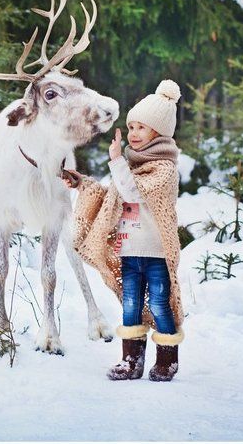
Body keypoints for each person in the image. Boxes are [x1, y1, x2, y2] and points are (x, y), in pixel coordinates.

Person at [61, 80, 185, 381]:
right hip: (129, 253)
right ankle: (131, 360)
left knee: (158, 304)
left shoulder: (165, 170)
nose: (133, 134)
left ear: (159, 132)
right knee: (130, 307)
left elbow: (134, 193)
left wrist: (117, 161)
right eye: (131, 128)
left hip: (155, 255)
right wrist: (83, 183)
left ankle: (167, 359)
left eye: (141, 128)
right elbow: (112, 200)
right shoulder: (128, 167)